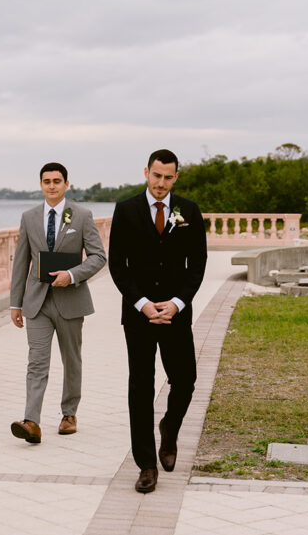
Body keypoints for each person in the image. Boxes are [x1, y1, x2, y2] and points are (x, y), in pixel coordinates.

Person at [109, 149, 207, 493]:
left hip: (176, 314)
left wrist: (178, 303)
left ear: (176, 177)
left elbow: (197, 264)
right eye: (156, 176)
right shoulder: (125, 210)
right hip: (139, 316)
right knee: (141, 387)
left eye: (168, 177)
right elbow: (117, 265)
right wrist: (142, 304)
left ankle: (170, 428)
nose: (161, 183)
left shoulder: (189, 211)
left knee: (186, 380)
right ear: (146, 173)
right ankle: (146, 464)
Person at [10, 162, 106, 443]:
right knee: (36, 363)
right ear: (40, 184)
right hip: (36, 303)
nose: (51, 185)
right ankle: (31, 422)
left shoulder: (82, 215)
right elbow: (21, 262)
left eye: (56, 181)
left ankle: (69, 413)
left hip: (70, 302)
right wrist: (15, 304)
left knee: (71, 360)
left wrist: (73, 275)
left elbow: (99, 256)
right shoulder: (28, 217)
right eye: (46, 181)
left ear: (66, 184)